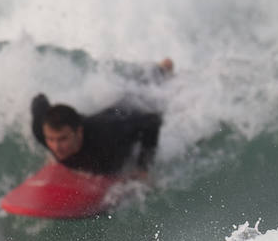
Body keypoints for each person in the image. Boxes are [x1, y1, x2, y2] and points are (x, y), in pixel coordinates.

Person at [30, 60, 172, 179]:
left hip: (123, 114)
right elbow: (39, 99)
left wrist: (143, 168)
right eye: (51, 139)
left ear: (79, 133)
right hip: (98, 118)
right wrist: (56, 113)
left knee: (141, 92)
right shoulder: (41, 130)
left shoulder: (106, 136)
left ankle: (163, 69)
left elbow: (152, 121)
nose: (55, 147)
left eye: (62, 139)